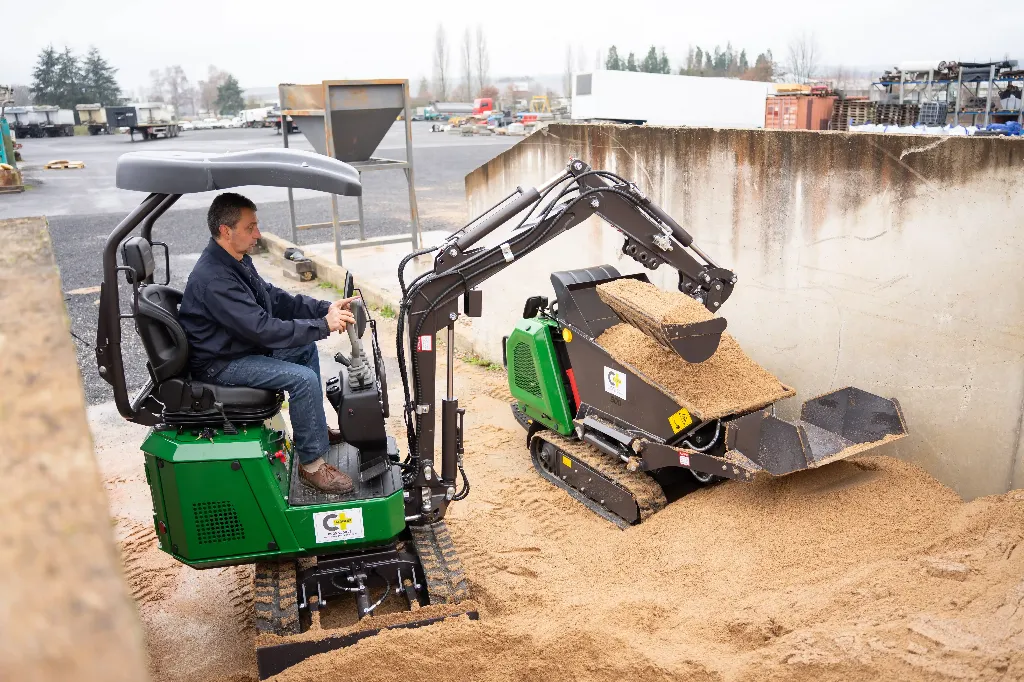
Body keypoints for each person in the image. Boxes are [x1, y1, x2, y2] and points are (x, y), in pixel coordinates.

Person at [179, 192, 357, 494]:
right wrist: (322, 326)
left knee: (304, 348)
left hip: (235, 347)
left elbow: (274, 298)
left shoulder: (235, 262)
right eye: (250, 227)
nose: (257, 234)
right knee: (301, 379)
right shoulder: (216, 279)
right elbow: (262, 329)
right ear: (226, 230)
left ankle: (312, 431)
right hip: (220, 364)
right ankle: (311, 466)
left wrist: (322, 308)